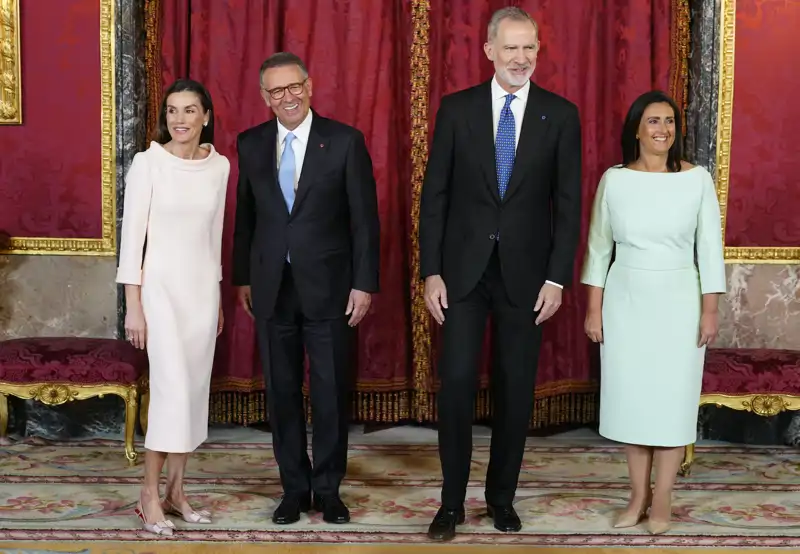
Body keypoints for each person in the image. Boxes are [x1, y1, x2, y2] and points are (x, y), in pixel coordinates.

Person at [419, 7, 582, 541]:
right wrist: (431, 272)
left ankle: (501, 500)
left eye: (529, 48)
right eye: (510, 48)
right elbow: (434, 197)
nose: (521, 58)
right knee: (458, 385)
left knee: (516, 392)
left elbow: (568, 204)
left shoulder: (560, 115)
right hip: (462, 276)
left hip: (528, 280)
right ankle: (450, 504)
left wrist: (557, 279)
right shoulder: (456, 109)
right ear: (489, 50)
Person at [232, 52, 380, 525]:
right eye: (276, 91)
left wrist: (364, 283)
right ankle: (294, 489)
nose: (287, 97)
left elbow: (364, 223)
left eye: (294, 86)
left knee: (331, 390)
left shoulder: (344, 141)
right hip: (272, 287)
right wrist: (243, 278)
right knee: (281, 392)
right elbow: (245, 220)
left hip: (332, 289)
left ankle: (329, 489)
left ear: (309, 86)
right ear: (265, 98)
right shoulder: (251, 143)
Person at [580, 90, 726, 535]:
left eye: (669, 121)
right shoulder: (615, 179)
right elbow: (598, 249)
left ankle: (662, 497)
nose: (663, 129)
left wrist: (709, 312)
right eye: (653, 121)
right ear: (637, 130)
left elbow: (710, 251)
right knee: (633, 403)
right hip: (626, 302)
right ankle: (637, 495)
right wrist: (593, 311)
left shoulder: (697, 179)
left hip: (680, 300)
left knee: (670, 404)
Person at [117, 79, 230, 536]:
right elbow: (132, 241)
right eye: (171, 111)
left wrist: (218, 297)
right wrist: (134, 307)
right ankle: (148, 495)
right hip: (159, 293)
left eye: (189, 110)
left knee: (192, 395)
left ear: (206, 116)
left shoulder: (219, 165)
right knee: (170, 393)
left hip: (202, 294)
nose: (179, 120)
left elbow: (215, 236)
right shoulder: (149, 164)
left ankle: (177, 493)